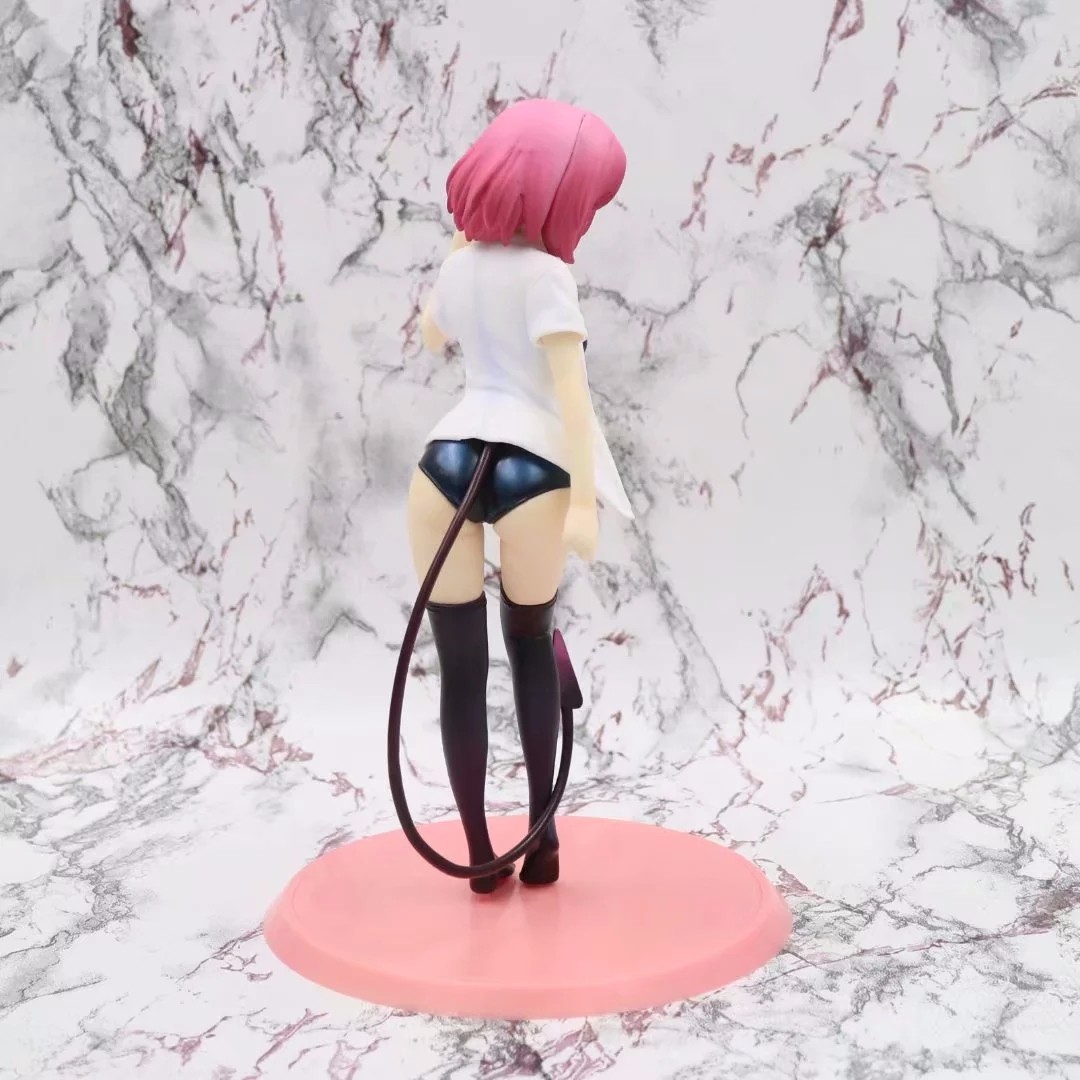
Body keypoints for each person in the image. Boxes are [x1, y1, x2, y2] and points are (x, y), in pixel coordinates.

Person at [409, 98, 633, 893]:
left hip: (443, 463)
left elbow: (432, 335)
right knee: (531, 647)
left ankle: (479, 854)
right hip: (530, 471)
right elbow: (573, 395)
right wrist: (584, 503)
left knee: (461, 668)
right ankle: (542, 842)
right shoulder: (547, 276)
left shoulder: (458, 267)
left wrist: (460, 246)